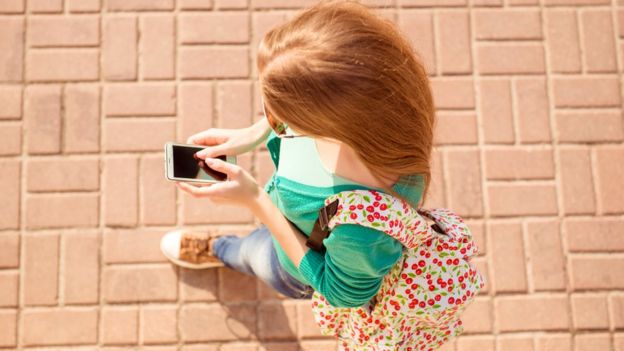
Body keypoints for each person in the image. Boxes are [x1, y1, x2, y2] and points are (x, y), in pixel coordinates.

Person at [161, 0, 434, 308]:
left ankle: (221, 250)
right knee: (257, 244)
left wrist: (256, 200)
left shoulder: (362, 228)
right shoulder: (388, 108)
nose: (275, 116)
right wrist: (256, 133)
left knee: (252, 253)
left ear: (328, 121)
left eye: (281, 111)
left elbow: (343, 294)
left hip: (289, 262)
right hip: (296, 219)